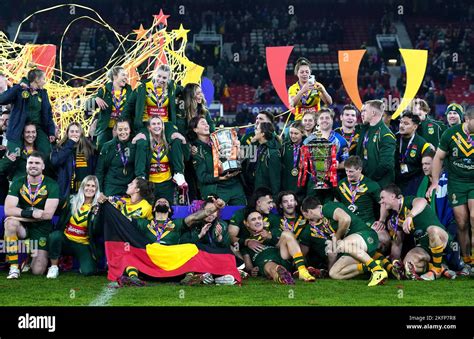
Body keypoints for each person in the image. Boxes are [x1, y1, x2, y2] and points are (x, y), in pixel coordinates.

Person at [427, 106, 474, 269]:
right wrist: (434, 182)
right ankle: (466, 259)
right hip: (456, 183)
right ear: (467, 119)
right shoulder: (450, 134)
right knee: (461, 223)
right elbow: (438, 157)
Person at [299, 197, 386, 286]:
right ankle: (372, 265)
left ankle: (377, 270)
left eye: (306, 216)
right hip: (355, 247)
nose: (308, 220)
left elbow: (346, 219)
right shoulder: (324, 221)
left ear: (310, 212)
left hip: (366, 235)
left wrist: (336, 238)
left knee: (341, 244)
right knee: (334, 273)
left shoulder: (327, 207)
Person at [3, 151, 59, 279]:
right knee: (10, 222)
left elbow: (48, 215)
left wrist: (18, 215)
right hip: (23, 227)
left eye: (37, 163)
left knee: (37, 271)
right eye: (30, 162)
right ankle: (14, 267)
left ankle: (28, 255)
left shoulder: (52, 184)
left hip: (41, 228)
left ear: (43, 166)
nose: (33, 165)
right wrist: (31, 213)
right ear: (26, 165)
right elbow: (8, 209)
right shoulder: (18, 182)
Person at [377, 184, 451, 280]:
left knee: (432, 229)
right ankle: (441, 267)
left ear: (392, 196)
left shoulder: (408, 200)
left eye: (383, 197)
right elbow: (397, 244)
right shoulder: (395, 218)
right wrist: (394, 263)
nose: (381, 201)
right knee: (408, 264)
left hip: (441, 239)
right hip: (424, 246)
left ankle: (436, 270)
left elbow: (422, 201)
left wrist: (410, 216)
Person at [416, 151, 467, 275]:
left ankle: (460, 264)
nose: (424, 167)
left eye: (428, 164)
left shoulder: (449, 178)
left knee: (455, 263)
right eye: (423, 164)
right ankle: (440, 267)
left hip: (451, 221)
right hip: (433, 224)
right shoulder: (423, 182)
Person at [46, 176, 102, 278]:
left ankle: (82, 264)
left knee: (88, 271)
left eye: (93, 186)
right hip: (66, 240)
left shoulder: (98, 208)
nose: (90, 188)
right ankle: (54, 267)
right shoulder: (72, 200)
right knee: (55, 236)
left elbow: (97, 231)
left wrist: (97, 216)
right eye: (87, 185)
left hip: (82, 244)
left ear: (97, 189)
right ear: (82, 187)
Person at [241, 208, 315, 284]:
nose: (257, 221)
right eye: (253, 219)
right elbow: (248, 265)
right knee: (270, 265)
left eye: (259, 218)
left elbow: (287, 242)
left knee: (286, 234)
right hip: (266, 262)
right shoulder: (247, 243)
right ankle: (282, 277)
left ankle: (302, 270)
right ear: (246, 223)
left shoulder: (273, 231)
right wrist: (251, 270)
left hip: (283, 257)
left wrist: (270, 237)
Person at [189, 116, 246, 205]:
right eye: (203, 123)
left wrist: (237, 149)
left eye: (207, 123)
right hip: (216, 187)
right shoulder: (197, 150)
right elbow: (202, 177)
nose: (207, 125)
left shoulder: (222, 140)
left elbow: (239, 159)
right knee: (218, 217)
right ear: (195, 129)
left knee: (241, 214)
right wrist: (220, 177)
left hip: (234, 183)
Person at [0, 69, 56, 157]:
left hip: (37, 128)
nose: (45, 82)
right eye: (43, 79)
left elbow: (48, 114)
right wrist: (17, 87)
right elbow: (2, 99)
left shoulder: (43, 94)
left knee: (47, 151)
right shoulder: (20, 90)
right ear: (37, 79)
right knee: (14, 155)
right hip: (18, 128)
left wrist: (51, 131)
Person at [134, 116, 187, 204]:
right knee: (150, 209)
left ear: (163, 126)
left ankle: (179, 173)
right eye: (153, 124)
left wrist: (184, 141)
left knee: (167, 208)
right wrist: (133, 142)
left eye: (159, 123)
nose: (156, 126)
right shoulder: (145, 143)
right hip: (151, 183)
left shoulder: (169, 142)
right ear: (149, 127)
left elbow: (186, 157)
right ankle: (140, 176)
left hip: (167, 183)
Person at [123, 64, 180, 133]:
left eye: (164, 78)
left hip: (165, 124)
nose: (160, 80)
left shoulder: (173, 88)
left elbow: (187, 91)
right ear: (155, 74)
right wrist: (123, 123)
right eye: (159, 76)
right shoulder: (142, 87)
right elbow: (129, 106)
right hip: (146, 124)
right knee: (141, 143)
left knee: (177, 140)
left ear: (168, 79)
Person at [50, 122, 97, 199]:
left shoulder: (89, 149)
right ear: (67, 133)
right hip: (64, 192)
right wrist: (70, 143)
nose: (74, 134)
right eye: (72, 131)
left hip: (83, 192)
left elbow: (93, 170)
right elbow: (55, 162)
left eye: (77, 131)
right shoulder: (59, 148)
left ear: (81, 134)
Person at [356, 99, 396, 188]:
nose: (362, 114)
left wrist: (369, 180)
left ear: (373, 113)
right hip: (364, 181)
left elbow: (386, 164)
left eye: (364, 111)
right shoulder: (365, 129)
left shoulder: (386, 135)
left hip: (380, 185)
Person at [228, 187, 281, 254]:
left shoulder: (274, 217)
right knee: (232, 247)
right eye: (269, 202)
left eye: (272, 203)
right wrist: (247, 242)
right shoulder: (240, 214)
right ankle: (242, 263)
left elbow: (278, 240)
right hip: (243, 249)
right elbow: (230, 237)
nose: (271, 206)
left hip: (266, 251)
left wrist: (269, 236)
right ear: (258, 202)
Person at [93, 66, 133, 150]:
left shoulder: (129, 91)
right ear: (115, 76)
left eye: (126, 75)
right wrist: (95, 99)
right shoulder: (104, 90)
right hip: (105, 128)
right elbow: (88, 105)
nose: (126, 77)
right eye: (123, 75)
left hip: (122, 128)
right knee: (101, 149)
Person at [95, 118, 137, 196]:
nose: (123, 132)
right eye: (120, 129)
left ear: (130, 130)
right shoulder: (107, 146)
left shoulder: (135, 145)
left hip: (129, 186)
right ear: (116, 131)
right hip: (111, 186)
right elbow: (99, 170)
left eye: (126, 129)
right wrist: (100, 191)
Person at [335, 156, 381, 226]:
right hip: (347, 223)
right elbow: (336, 203)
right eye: (346, 171)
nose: (348, 174)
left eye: (351, 171)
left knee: (384, 236)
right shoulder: (341, 184)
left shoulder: (371, 185)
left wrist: (381, 221)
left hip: (367, 223)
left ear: (360, 169)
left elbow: (383, 204)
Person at [395, 112, 432, 196]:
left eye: (406, 123)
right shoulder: (393, 139)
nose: (401, 125)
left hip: (414, 182)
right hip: (396, 180)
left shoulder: (422, 144)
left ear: (415, 127)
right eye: (401, 122)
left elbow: (429, 166)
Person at [246, 122, 281, 198]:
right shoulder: (259, 146)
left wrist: (275, 198)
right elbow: (250, 163)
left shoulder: (272, 152)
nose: (254, 131)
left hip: (266, 194)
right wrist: (252, 143)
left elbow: (275, 178)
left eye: (257, 129)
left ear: (262, 134)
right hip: (256, 190)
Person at [280, 121, 307, 200]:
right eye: (291, 133)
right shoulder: (284, 147)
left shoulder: (307, 148)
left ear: (302, 133)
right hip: (286, 189)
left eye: (296, 133)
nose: (293, 136)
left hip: (301, 191)